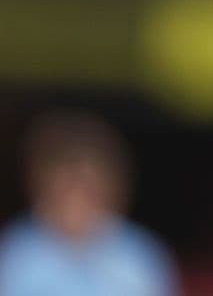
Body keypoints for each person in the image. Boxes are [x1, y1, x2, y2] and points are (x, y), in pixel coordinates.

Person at [0, 110, 178, 296]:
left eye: (87, 190)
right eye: (65, 191)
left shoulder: (140, 255)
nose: (75, 203)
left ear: (113, 192)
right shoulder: (16, 254)